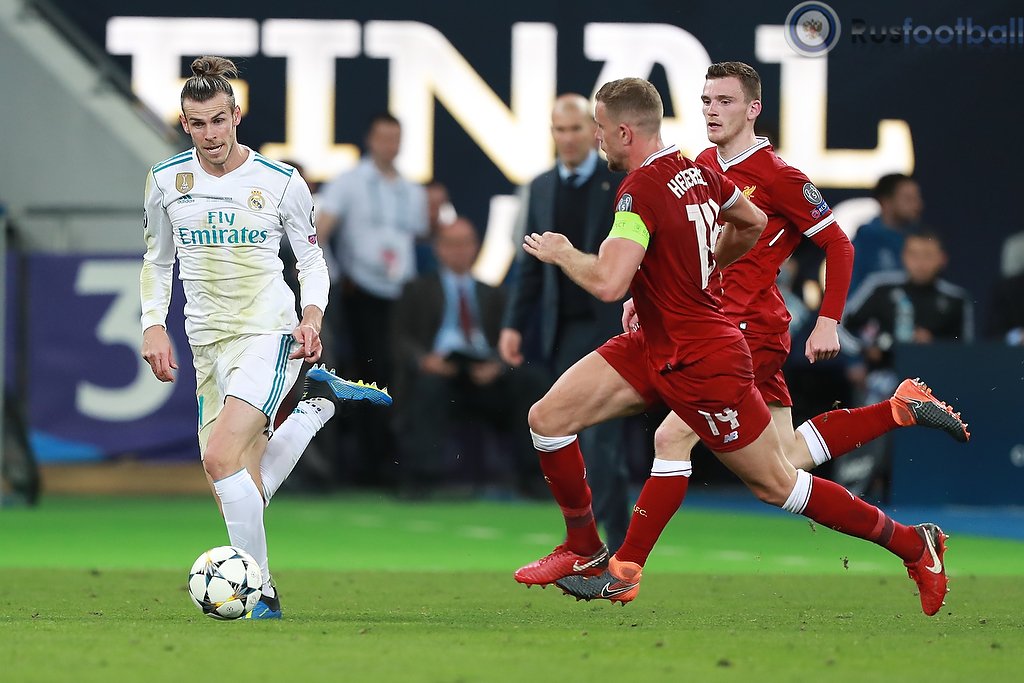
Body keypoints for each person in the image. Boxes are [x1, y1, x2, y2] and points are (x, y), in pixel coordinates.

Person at [513, 77, 953, 618]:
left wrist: (562, 253)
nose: (593, 139)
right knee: (548, 418)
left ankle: (911, 543)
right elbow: (750, 222)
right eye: (706, 100)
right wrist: (688, 276)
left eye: (599, 128)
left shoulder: (662, 187)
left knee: (769, 478)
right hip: (666, 335)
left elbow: (608, 282)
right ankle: (584, 548)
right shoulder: (698, 168)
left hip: (717, 348)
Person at [618, 61, 969, 562]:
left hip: (747, 327)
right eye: (706, 101)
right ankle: (900, 411)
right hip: (716, 321)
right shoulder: (702, 165)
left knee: (672, 436)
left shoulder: (779, 176)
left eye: (725, 101)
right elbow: (689, 246)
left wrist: (828, 320)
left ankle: (624, 569)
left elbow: (838, 244)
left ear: (753, 109)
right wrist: (645, 294)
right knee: (786, 459)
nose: (712, 111)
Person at [140, 57, 391, 619]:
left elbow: (312, 261)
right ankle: (317, 407)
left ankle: (262, 593)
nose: (210, 134)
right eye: (198, 123)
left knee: (220, 457)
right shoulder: (166, 181)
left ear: (237, 116)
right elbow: (156, 261)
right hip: (206, 341)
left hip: (267, 332)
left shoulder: (280, 182)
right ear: (184, 123)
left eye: (218, 120)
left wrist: (311, 319)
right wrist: (153, 323)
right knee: (235, 484)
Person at [498, 93, 631, 552]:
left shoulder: (621, 181)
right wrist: (514, 324)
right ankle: (598, 539)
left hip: (611, 325)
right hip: (566, 331)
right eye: (560, 129)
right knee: (571, 437)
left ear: (594, 132)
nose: (568, 138)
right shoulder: (540, 187)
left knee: (602, 441)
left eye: (576, 128)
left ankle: (605, 541)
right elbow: (531, 264)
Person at [391, 217, 546, 497]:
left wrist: (498, 365)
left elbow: (510, 338)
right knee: (427, 388)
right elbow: (400, 337)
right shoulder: (418, 289)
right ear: (438, 248)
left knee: (532, 382)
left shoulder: (493, 293)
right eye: (452, 244)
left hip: (485, 372)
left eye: (465, 243)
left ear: (475, 247)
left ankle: (534, 477)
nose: (459, 251)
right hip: (441, 371)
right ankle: (423, 479)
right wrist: (425, 360)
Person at [317, 113, 428, 485]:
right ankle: (370, 464)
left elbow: (418, 237)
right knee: (368, 375)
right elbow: (320, 231)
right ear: (370, 139)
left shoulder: (411, 190)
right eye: (383, 137)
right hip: (361, 291)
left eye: (396, 138)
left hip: (403, 294)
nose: (389, 145)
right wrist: (331, 277)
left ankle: (399, 461)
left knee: (402, 373)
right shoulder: (348, 182)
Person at [850, 173, 924, 293]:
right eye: (908, 199)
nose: (918, 205)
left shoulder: (921, 240)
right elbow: (850, 294)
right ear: (886, 202)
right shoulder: (865, 241)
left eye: (917, 198)